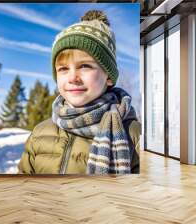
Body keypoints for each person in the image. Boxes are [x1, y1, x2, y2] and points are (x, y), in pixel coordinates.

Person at [18, 10, 141, 174]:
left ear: (109, 76)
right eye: (63, 69)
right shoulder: (40, 133)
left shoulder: (133, 134)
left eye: (84, 66)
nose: (72, 78)